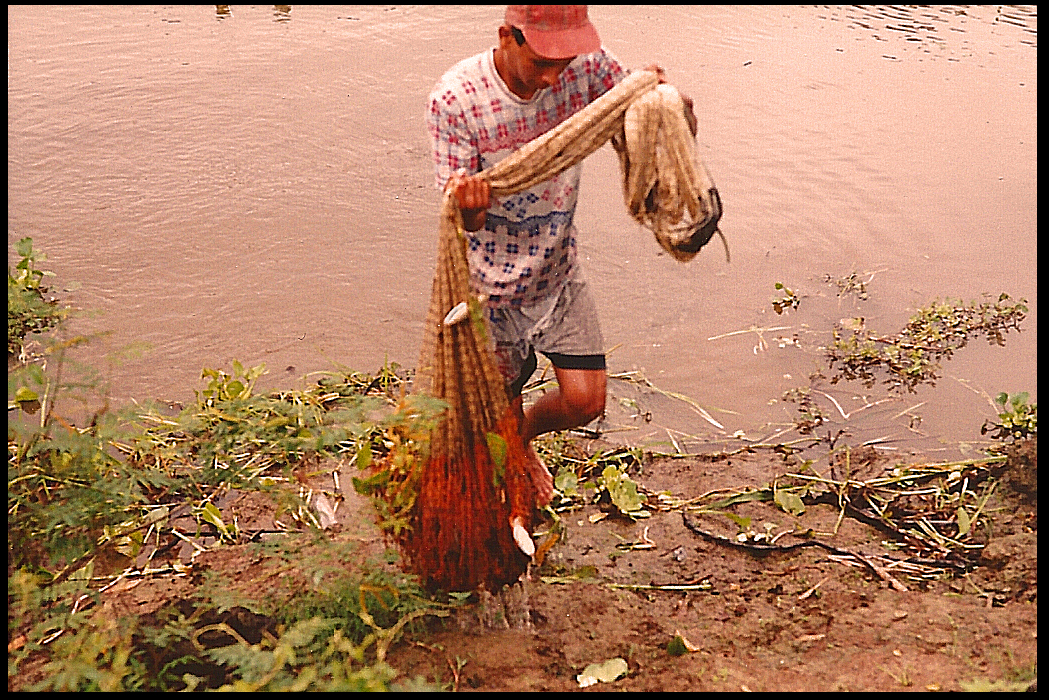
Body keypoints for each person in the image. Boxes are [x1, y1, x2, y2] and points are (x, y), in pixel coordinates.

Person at [426, 5, 694, 508]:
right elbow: (459, 223)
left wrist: (664, 102)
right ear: (507, 36)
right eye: (542, 62)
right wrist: (471, 206)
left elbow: (633, 120)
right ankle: (508, 463)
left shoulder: (587, 69)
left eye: (564, 61)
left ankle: (525, 437)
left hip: (557, 271)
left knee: (586, 401)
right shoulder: (456, 100)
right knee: (496, 447)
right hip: (489, 291)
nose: (554, 76)